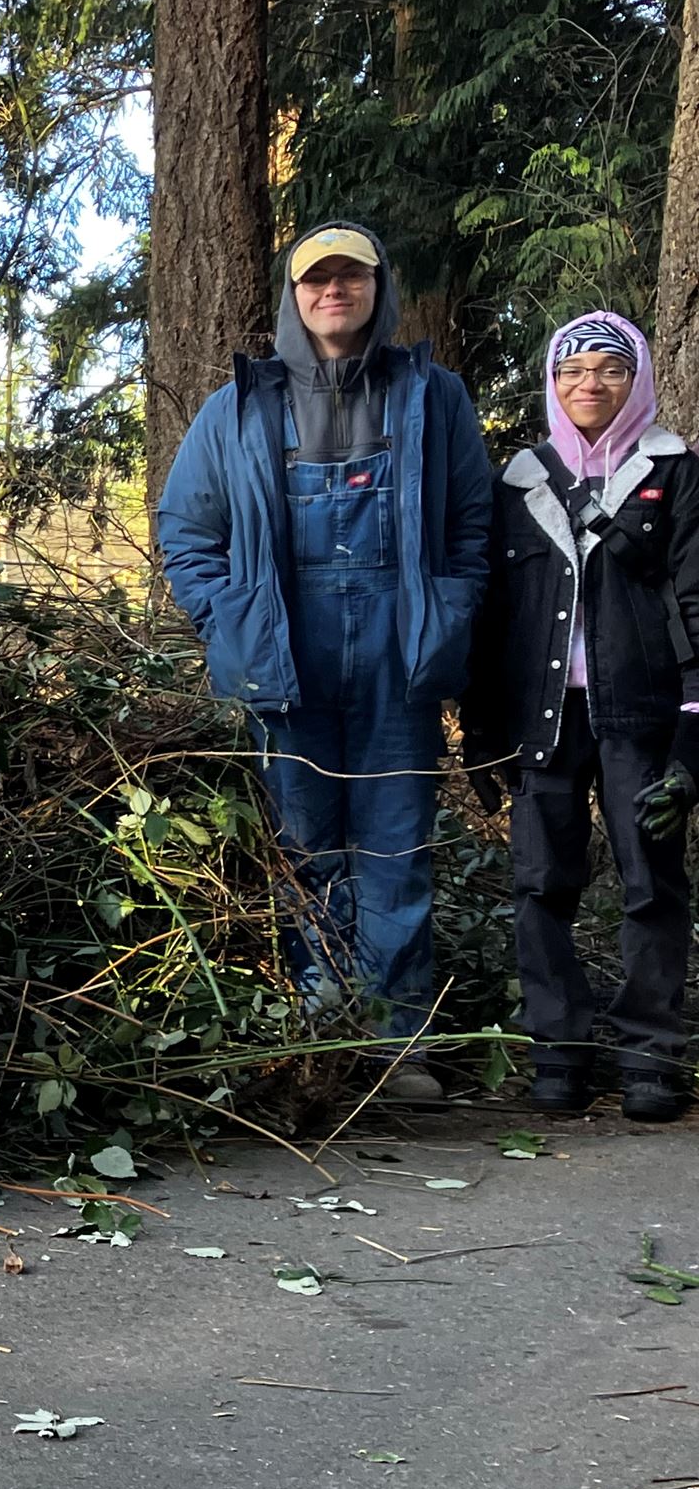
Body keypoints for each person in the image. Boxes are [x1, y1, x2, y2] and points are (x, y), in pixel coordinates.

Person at [156, 223, 493, 1100]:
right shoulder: (238, 406)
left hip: (397, 654)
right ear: (293, 296)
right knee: (302, 849)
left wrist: (450, 613)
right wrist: (226, 618)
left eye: (351, 276)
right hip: (283, 656)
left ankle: (395, 1045)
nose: (333, 291)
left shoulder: (433, 398)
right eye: (317, 279)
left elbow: (471, 525)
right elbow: (186, 532)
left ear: (379, 288)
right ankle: (317, 1035)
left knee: (393, 848)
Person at [462, 313, 696, 1123]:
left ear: (638, 380)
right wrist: (483, 734)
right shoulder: (522, 479)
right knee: (540, 883)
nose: (589, 384)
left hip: (644, 716)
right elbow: (493, 616)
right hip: (543, 718)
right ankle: (558, 1052)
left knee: (651, 883)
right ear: (551, 383)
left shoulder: (676, 470)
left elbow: (697, 603)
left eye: (609, 369)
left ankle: (648, 1059)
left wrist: (695, 734)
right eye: (571, 370)